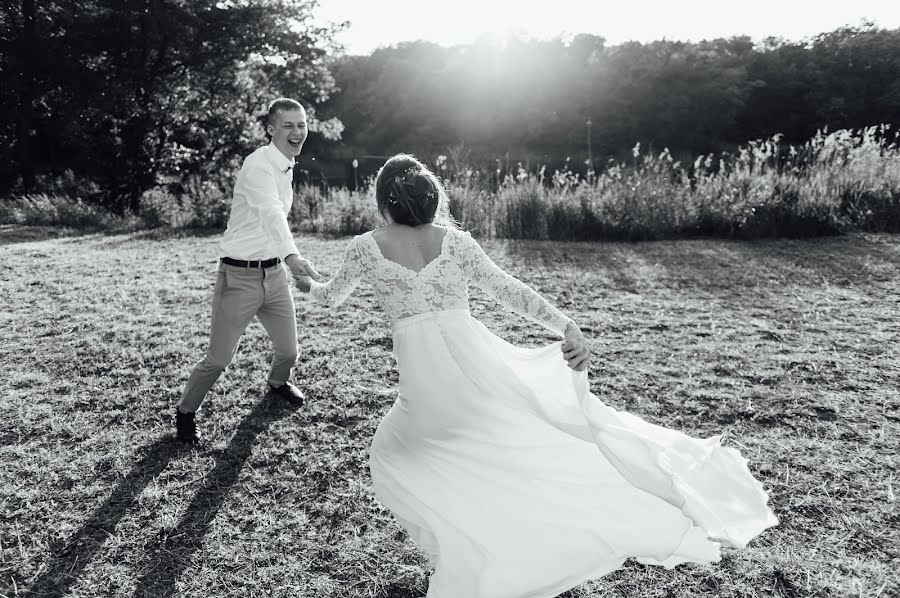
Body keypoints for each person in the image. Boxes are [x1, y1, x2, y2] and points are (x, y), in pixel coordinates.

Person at [293, 154, 778, 597]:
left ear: (382, 203)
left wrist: (308, 283)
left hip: (427, 372)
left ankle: (466, 544)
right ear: (434, 197)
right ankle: (473, 538)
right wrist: (565, 323)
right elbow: (510, 291)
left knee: (395, 453)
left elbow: (333, 297)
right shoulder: (455, 242)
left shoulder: (366, 246)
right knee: (475, 445)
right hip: (470, 359)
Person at [174, 98, 320, 443]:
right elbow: (271, 213)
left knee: (289, 351)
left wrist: (285, 263)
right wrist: (293, 257)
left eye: (301, 125)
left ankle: (277, 382)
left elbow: (274, 223)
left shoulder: (286, 164)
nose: (297, 132)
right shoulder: (258, 166)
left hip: (273, 277)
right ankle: (185, 413)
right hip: (238, 277)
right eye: (288, 126)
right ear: (271, 129)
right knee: (218, 359)